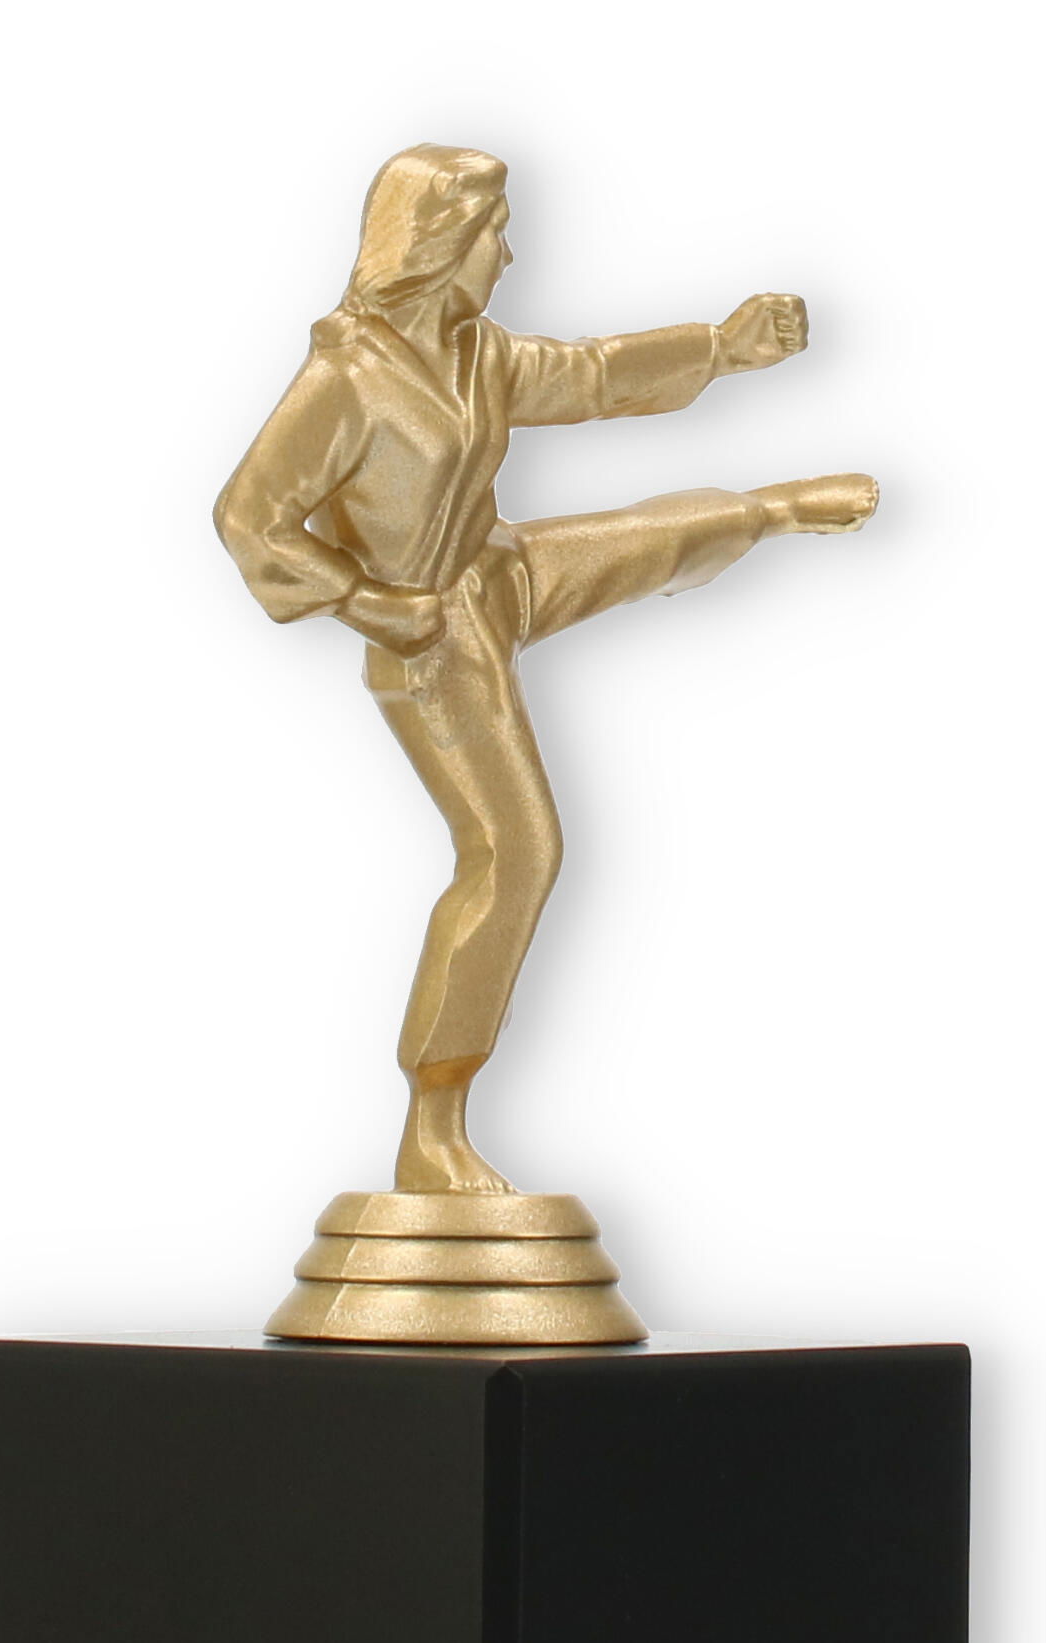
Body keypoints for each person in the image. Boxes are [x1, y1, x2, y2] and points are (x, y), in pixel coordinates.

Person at [216, 143, 877, 1195]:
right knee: (516, 851)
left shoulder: (474, 354)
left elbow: (592, 375)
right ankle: (433, 1121)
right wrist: (366, 602)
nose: (509, 254)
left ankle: (767, 510)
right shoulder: (345, 381)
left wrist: (723, 348)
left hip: (497, 576)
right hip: (431, 645)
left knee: (635, 540)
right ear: (438, 245)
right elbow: (248, 519)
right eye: (495, 234)